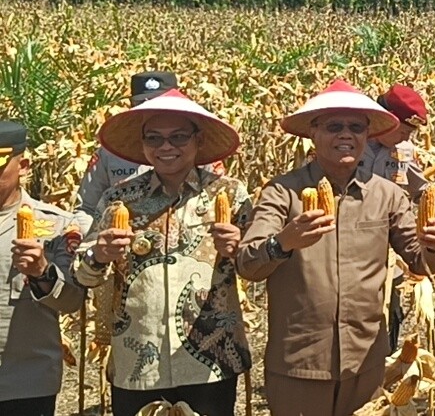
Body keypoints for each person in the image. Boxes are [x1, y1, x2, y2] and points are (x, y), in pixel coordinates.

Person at [237, 80, 435, 416]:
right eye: (334, 126)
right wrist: (283, 243)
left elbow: (421, 262)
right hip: (299, 364)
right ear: (313, 133)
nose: (345, 135)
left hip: (365, 361)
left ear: (367, 135)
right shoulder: (282, 193)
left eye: (356, 127)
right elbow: (248, 265)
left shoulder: (387, 195)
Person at [75, 90, 251, 416]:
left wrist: (238, 248)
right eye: (154, 138)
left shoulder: (230, 194)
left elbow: (256, 265)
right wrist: (98, 255)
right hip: (137, 358)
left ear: (198, 141)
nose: (166, 147)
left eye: (178, 137)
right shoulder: (119, 198)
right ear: (142, 145)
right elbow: (83, 273)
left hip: (210, 360)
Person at [0, 121, 90, 416]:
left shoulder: (57, 225)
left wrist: (42, 271)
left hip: (25, 383)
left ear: (23, 165)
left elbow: (72, 301)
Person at [361, 83, 435, 348]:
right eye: (402, 131)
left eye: (409, 133)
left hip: (389, 256)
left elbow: (421, 189)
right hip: (350, 251)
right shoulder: (350, 143)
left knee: (388, 325)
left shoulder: (403, 150)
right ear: (385, 119)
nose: (405, 138)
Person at [77, 71, 224, 217]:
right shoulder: (109, 157)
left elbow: (219, 200)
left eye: (178, 136)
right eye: (142, 104)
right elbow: (87, 209)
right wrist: (97, 239)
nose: (166, 146)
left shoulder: (202, 155)